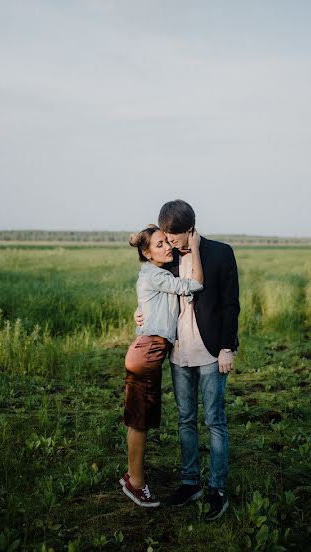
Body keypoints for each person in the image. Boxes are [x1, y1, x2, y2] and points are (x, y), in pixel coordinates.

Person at [135, 199, 240, 521]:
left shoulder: (221, 253)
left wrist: (227, 348)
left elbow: (230, 304)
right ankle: (190, 481)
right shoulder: (165, 259)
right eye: (165, 235)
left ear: (190, 229)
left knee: (214, 420)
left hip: (210, 351)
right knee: (184, 420)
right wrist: (140, 314)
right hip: (178, 352)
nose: (169, 241)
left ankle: (217, 488)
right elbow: (150, 290)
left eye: (174, 235)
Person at [121, 224, 204, 508]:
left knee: (141, 419)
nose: (167, 247)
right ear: (146, 253)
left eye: (166, 242)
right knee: (139, 422)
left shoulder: (156, 273)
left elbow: (156, 308)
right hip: (147, 353)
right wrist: (197, 251)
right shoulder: (155, 274)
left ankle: (133, 476)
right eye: (159, 245)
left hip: (149, 350)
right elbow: (194, 285)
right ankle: (136, 483)